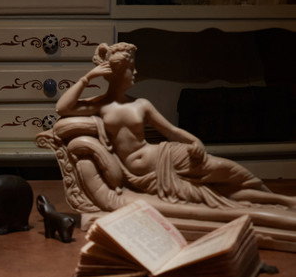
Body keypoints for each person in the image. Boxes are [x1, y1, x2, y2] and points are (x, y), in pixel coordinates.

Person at [53, 42, 296, 225]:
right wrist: (88, 78)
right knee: (216, 192)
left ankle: (281, 201)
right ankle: (278, 204)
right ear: (117, 73)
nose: (135, 74)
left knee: (227, 170)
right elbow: (63, 108)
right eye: (131, 69)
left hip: (165, 155)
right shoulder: (101, 105)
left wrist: (194, 140)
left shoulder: (141, 104)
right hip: (145, 172)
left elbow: (170, 130)